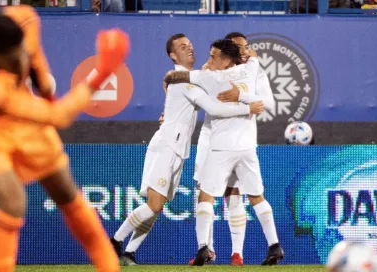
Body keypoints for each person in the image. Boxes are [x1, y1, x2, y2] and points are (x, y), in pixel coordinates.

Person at [0, 6, 130, 272]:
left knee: (65, 189)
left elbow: (35, 58)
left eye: (22, 48)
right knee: (13, 201)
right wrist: (102, 71)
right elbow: (59, 117)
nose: (21, 57)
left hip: (20, 105)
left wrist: (43, 87)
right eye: (13, 57)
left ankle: (108, 266)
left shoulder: (25, 18)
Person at [110, 33, 264, 266]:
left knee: (156, 208)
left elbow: (206, 82)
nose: (189, 49)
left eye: (190, 45)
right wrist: (248, 107)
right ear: (173, 55)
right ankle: (113, 243)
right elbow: (214, 107)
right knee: (154, 205)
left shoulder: (188, 78)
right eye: (182, 47)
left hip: (178, 150)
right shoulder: (183, 81)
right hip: (167, 147)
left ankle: (129, 252)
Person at [163, 38, 269, 266]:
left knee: (233, 195)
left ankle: (236, 253)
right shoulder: (215, 71)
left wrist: (240, 98)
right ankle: (207, 249)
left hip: (235, 141)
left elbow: (265, 102)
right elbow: (194, 100)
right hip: (211, 139)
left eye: (244, 47)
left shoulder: (237, 73)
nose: (208, 58)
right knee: (205, 191)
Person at [190, 32, 281, 266]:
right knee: (256, 196)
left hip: (222, 147)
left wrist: (238, 95)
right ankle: (274, 245)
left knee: (206, 195)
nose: (209, 61)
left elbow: (188, 79)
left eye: (213, 57)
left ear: (226, 59)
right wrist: (245, 98)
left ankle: (203, 248)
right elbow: (254, 62)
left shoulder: (212, 79)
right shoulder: (251, 68)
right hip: (246, 146)